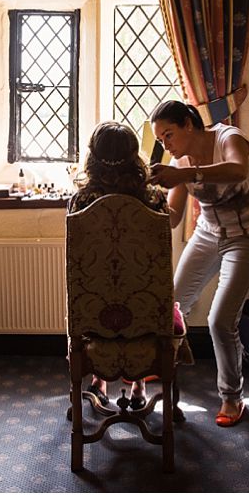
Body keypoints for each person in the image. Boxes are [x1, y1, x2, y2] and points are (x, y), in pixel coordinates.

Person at [149, 100, 249, 427]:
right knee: (172, 304)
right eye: (160, 140)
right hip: (208, 233)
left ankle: (232, 396)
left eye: (169, 134)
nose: (166, 144)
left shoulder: (228, 137)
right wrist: (146, 198)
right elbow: (173, 218)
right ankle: (167, 361)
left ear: (189, 124)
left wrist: (185, 173)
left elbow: (238, 169)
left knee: (220, 319)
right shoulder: (179, 163)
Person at [68, 121, 169, 410]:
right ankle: (139, 385)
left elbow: (78, 263)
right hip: (145, 311)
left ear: (93, 157)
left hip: (94, 312)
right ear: (135, 156)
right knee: (141, 290)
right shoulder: (153, 199)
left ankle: (98, 381)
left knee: (98, 289)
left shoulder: (81, 201)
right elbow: (160, 261)